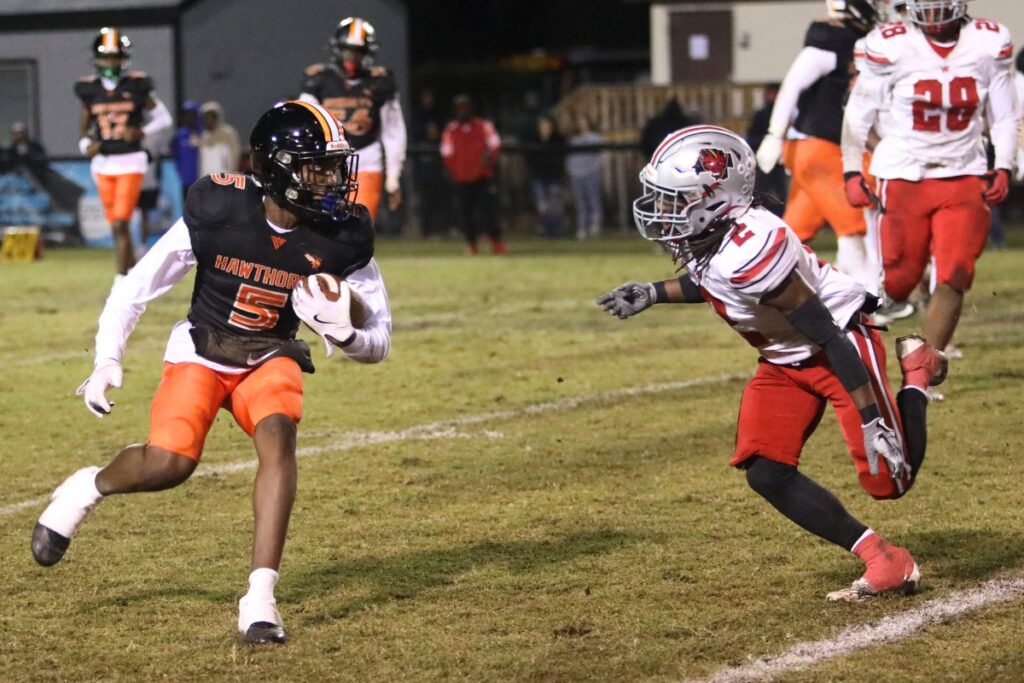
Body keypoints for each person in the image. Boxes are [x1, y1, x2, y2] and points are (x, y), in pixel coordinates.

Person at [31, 100, 392, 645]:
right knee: (170, 463)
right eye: (317, 166)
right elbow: (136, 286)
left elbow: (380, 339)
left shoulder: (345, 235)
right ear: (278, 168)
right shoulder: (220, 205)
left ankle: (260, 598)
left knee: (279, 439)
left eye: (335, 166)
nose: (333, 180)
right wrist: (107, 358)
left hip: (271, 352)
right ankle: (88, 487)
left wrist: (347, 334)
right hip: (203, 346)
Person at [598, 126, 948, 601]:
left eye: (674, 199)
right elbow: (715, 282)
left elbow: (824, 330)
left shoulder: (753, 247)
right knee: (766, 470)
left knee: (890, 481)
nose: (663, 211)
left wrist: (871, 417)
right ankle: (882, 559)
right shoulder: (714, 232)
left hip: (837, 346)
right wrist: (655, 292)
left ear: (713, 197)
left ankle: (918, 373)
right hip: (783, 361)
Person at [841, 0, 1020, 384]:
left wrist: (1003, 164)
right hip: (905, 175)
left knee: (955, 271)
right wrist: (852, 171)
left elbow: (1004, 114)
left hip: (964, 173)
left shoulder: (987, 41)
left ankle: (922, 372)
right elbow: (858, 113)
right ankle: (852, 336)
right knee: (900, 283)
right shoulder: (891, 43)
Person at [755, 0, 880, 293]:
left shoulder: (855, 39)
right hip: (819, 148)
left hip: (818, 148)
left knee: (792, 235)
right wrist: (774, 133)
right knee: (855, 227)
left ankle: (757, 282)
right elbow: (792, 84)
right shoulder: (832, 38)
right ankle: (871, 297)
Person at [76, 27, 173, 275]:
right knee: (119, 227)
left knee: (121, 222)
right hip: (102, 163)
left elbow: (163, 118)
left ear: (123, 58)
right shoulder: (89, 90)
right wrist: (87, 146)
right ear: (97, 59)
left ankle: (121, 281)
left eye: (114, 56)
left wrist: (142, 132)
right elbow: (84, 131)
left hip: (131, 160)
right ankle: (131, 277)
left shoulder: (137, 85)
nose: (110, 62)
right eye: (106, 56)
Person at [300, 16, 407, 224]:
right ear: (338, 49)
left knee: (358, 226)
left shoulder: (380, 81)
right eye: (349, 50)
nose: (353, 58)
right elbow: (305, 122)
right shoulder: (318, 79)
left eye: (359, 52)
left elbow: (393, 131)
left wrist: (393, 177)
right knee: (318, 223)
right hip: (326, 161)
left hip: (366, 159)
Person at [440, 95, 506, 255]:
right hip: (462, 181)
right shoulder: (451, 130)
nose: (463, 111)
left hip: (483, 178)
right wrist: (458, 173)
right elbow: (447, 154)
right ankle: (472, 244)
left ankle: (496, 242)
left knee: (489, 211)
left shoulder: (484, 126)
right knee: (466, 213)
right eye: (459, 108)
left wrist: (486, 164)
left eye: (466, 107)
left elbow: (495, 146)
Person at [744, 83, 787, 215]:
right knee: (761, 190)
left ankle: (785, 215)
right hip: (764, 159)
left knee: (783, 192)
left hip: (780, 161)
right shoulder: (761, 114)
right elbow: (752, 136)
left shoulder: (785, 114)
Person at [526, 115, 567, 239]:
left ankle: (556, 231)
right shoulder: (534, 140)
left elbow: (561, 159)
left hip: (554, 177)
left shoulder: (558, 140)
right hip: (539, 177)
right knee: (542, 205)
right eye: (542, 126)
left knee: (555, 205)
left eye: (547, 126)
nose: (545, 128)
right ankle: (544, 229)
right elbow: (530, 160)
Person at [565, 114, 605, 240]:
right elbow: (570, 158)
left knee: (593, 199)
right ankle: (581, 227)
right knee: (580, 202)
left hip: (591, 173)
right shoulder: (574, 140)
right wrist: (571, 170)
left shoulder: (595, 139)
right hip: (577, 174)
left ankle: (595, 225)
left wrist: (596, 167)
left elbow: (601, 156)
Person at [198, 101, 240, 177]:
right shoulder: (204, 136)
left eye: (212, 116)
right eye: (206, 117)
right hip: (207, 179)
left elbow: (235, 154)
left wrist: (232, 174)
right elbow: (201, 161)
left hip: (225, 177)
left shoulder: (228, 133)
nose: (209, 119)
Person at [171, 100, 202, 200]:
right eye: (186, 114)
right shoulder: (180, 135)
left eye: (191, 114)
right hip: (186, 180)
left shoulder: (203, 134)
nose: (189, 118)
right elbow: (174, 151)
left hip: (203, 179)